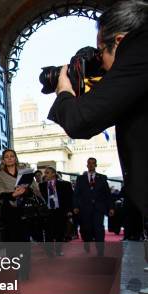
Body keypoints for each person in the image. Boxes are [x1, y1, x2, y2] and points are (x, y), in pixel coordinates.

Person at [48, 0, 148, 219]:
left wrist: (64, 90)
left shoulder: (140, 51)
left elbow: (79, 121)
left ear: (120, 41)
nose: (101, 64)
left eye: (101, 52)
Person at [0, 149, 42, 242]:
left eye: (12, 156)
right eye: (6, 157)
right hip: (9, 210)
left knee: (24, 238)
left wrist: (25, 191)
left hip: (25, 209)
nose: (9, 158)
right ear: (3, 160)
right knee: (11, 238)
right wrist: (14, 194)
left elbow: (35, 189)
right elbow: (0, 194)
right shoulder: (1, 175)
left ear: (15, 158)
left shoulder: (25, 172)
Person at [73, 158, 114, 256]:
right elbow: (76, 195)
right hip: (84, 208)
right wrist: (75, 206)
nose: (91, 165)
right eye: (89, 163)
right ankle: (87, 243)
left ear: (96, 165)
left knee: (98, 229)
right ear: (87, 165)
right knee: (86, 228)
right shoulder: (80, 178)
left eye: (93, 163)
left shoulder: (102, 178)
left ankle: (100, 251)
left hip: (98, 208)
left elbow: (107, 195)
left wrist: (111, 207)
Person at [39, 167, 73, 256]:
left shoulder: (65, 185)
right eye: (45, 173)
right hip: (47, 212)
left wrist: (69, 210)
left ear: (53, 174)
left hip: (60, 211)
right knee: (48, 232)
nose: (45, 174)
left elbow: (70, 199)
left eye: (47, 172)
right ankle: (49, 251)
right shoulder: (41, 186)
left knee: (60, 231)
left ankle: (58, 250)